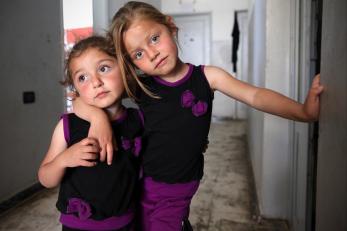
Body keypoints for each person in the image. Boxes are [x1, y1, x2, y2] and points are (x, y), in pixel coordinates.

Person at [73, 2, 324, 230]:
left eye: (154, 38)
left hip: (176, 187)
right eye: (138, 54)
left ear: (170, 27)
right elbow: (79, 101)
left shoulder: (208, 77)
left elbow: (255, 96)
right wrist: (98, 119)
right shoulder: (141, 85)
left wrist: (304, 112)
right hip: (139, 181)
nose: (151, 54)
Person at [37, 35, 144, 231]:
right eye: (82, 77)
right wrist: (64, 159)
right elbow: (45, 178)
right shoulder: (68, 125)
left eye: (103, 68)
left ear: (124, 70)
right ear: (75, 89)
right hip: (79, 226)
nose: (95, 82)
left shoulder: (139, 120)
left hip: (127, 222)